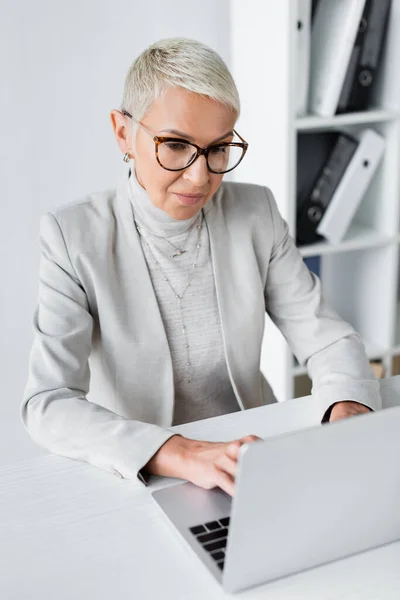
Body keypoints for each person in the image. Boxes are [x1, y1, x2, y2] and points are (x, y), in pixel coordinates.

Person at [21, 38, 380, 497]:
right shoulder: (72, 237)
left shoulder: (256, 211)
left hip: (254, 456)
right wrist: (181, 453)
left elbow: (327, 337)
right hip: (142, 472)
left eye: (219, 148)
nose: (201, 176)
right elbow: (48, 403)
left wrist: (349, 404)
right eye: (174, 145)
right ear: (122, 133)